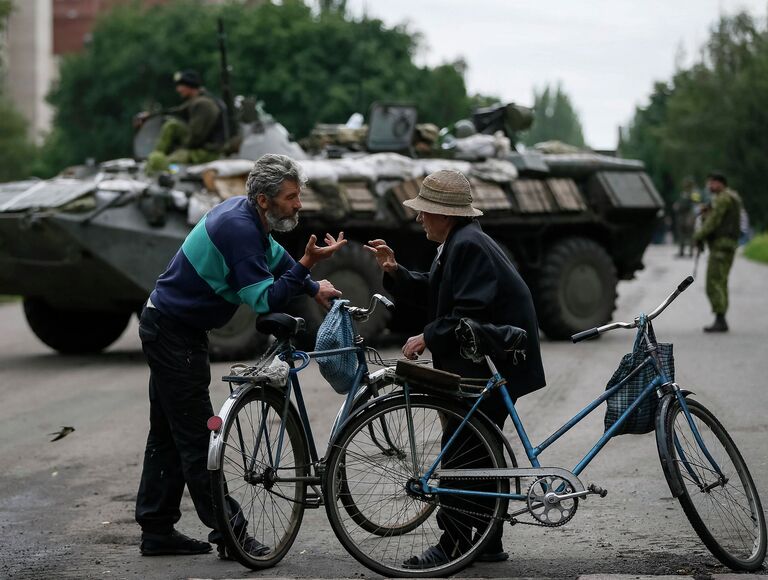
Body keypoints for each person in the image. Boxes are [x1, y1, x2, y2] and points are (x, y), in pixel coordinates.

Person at [135, 154, 346, 558]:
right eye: (291, 196)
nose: (298, 204)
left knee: (167, 433)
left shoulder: (248, 217)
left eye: (298, 195)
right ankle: (232, 536)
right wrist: (306, 265)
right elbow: (263, 299)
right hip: (171, 333)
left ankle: (157, 529)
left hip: (175, 327)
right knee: (199, 437)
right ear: (264, 200)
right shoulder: (237, 227)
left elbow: (274, 257)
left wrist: (312, 284)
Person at [365, 169, 546, 568]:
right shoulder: (458, 242)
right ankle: (486, 541)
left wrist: (427, 337)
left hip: (495, 358)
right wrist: (395, 270)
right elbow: (437, 290)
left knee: (464, 452)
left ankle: (454, 544)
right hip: (485, 355)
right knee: (478, 448)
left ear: (445, 214)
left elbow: (468, 314)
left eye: (425, 211)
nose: (419, 218)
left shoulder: (469, 246)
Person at [137, 70, 228, 173]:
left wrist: (179, 149)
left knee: (168, 163)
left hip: (207, 152)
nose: (178, 89)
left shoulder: (203, 104)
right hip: (198, 146)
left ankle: (163, 168)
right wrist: (150, 116)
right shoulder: (196, 101)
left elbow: (196, 136)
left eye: (180, 86)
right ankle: (155, 157)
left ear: (190, 86)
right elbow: (174, 112)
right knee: (172, 125)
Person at [693, 171, 743, 333]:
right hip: (727, 244)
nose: (709, 186)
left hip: (721, 245)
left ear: (721, 183)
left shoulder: (723, 199)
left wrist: (698, 235)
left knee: (713, 282)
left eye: (712, 182)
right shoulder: (731, 197)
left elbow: (713, 222)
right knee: (721, 281)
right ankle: (721, 318)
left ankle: (720, 319)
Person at [672, 177, 699, 258]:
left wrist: (692, 216)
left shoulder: (694, 192)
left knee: (690, 234)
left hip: (689, 215)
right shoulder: (683, 193)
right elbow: (680, 201)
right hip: (681, 215)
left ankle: (691, 252)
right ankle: (681, 251)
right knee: (681, 234)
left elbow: (696, 203)